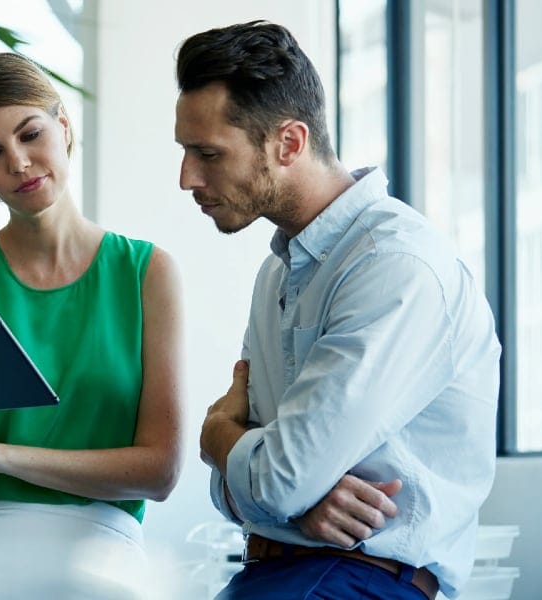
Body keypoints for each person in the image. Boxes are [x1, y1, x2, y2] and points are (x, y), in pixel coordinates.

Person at [175, 21, 501, 600]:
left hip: (365, 581)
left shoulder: (396, 266)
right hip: (275, 571)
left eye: (208, 154)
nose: (187, 179)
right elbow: (252, 491)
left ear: (290, 143)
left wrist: (216, 434)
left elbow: (271, 479)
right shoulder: (278, 271)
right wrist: (288, 504)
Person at [0, 52, 184, 599]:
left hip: (101, 547)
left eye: (31, 134)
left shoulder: (148, 273)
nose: (20, 163)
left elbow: (159, 471)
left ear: (64, 126)